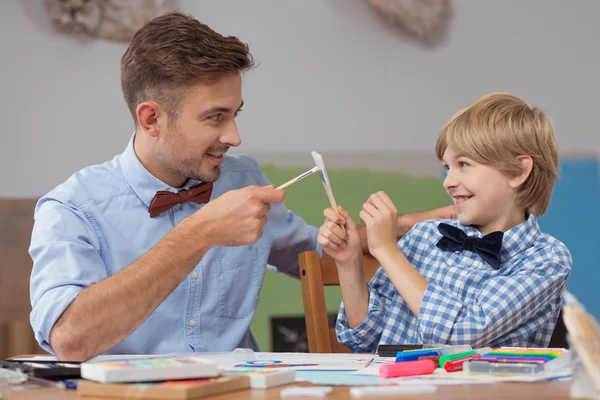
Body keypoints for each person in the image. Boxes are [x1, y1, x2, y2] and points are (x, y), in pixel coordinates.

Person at [29, 12, 455, 361]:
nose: (235, 137)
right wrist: (200, 233)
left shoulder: (242, 178)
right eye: (216, 117)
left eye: (236, 114)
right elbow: (70, 339)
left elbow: (318, 252)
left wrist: (405, 224)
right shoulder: (71, 207)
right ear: (151, 119)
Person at [318, 93, 572, 351]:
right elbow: (367, 339)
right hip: (399, 389)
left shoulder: (546, 259)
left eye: (463, 164)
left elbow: (462, 334)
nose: (448, 181)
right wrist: (349, 263)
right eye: (447, 167)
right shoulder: (425, 236)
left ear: (518, 172)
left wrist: (386, 250)